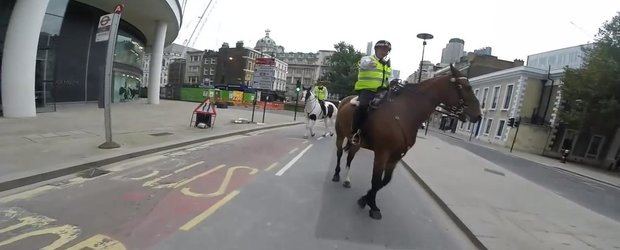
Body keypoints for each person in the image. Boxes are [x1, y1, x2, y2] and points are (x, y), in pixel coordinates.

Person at [351, 40, 392, 145]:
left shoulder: (387, 65)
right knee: (362, 106)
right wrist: (368, 64)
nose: (384, 52)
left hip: (382, 91)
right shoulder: (368, 59)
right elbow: (363, 64)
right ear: (376, 49)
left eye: (386, 50)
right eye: (382, 49)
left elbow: (388, 79)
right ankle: (355, 133)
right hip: (367, 90)